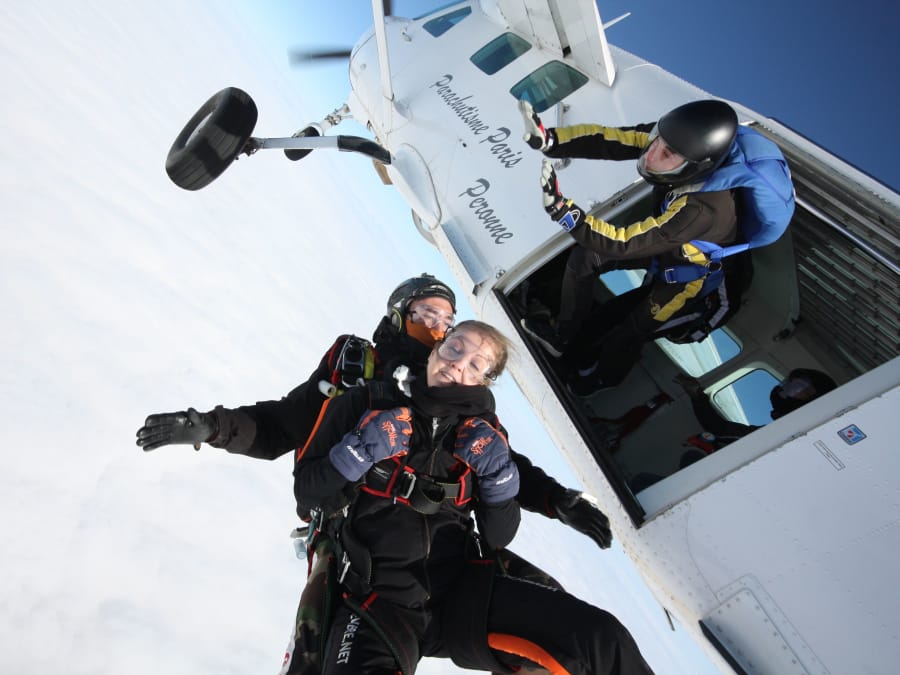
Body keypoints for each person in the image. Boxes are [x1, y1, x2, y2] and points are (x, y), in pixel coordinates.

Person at [136, 274, 614, 673]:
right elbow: (282, 423)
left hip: (442, 559)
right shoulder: (357, 374)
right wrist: (210, 426)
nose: (437, 327)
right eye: (427, 313)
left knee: (569, 631)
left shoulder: (461, 393)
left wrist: (556, 500)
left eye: (446, 321)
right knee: (315, 657)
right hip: (354, 546)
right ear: (398, 313)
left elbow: (496, 462)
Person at [293, 320, 654, 674]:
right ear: (437, 348)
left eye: (476, 364)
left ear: (483, 380)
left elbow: (498, 536)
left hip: (462, 596)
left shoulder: (484, 435)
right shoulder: (366, 403)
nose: (458, 364)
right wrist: (357, 453)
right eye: (454, 348)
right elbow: (307, 492)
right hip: (377, 602)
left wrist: (507, 485)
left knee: (600, 640)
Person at [517, 99, 793, 396]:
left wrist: (564, 211)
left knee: (631, 330)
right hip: (669, 249)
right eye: (657, 142)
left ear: (697, 166)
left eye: (667, 154)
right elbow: (616, 139)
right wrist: (551, 140)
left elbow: (624, 243)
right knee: (586, 259)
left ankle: (600, 381)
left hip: (686, 281)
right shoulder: (675, 141)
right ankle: (562, 338)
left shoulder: (702, 210)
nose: (652, 156)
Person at [630, 368, 838, 493]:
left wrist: (697, 397)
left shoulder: (796, 435)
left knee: (641, 481)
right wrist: (697, 396)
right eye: (788, 383)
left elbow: (723, 430)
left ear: (813, 400)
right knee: (691, 456)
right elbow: (726, 430)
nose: (785, 388)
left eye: (797, 387)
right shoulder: (783, 429)